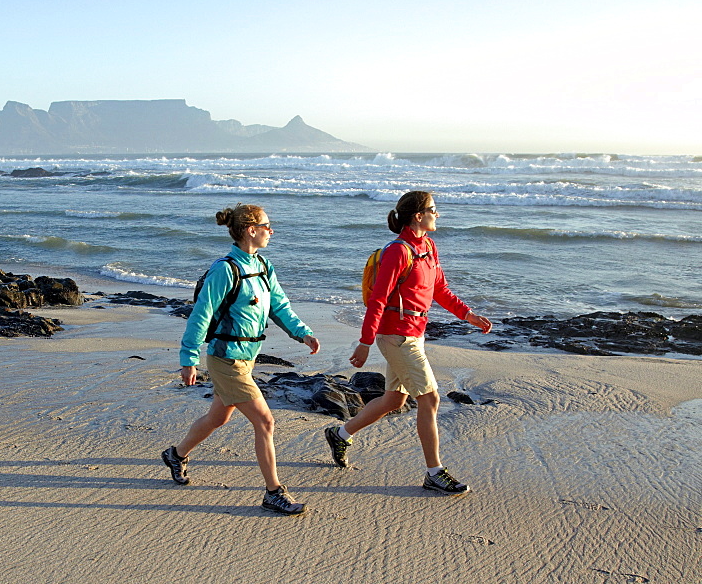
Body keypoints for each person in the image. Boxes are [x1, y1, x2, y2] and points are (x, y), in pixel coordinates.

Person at [325, 191, 492, 494]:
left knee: (394, 400)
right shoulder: (398, 252)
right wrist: (364, 342)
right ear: (418, 216)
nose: (437, 214)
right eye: (433, 210)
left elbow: (439, 289)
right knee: (430, 399)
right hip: (396, 336)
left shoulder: (427, 246)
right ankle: (434, 472)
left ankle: (340, 433)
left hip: (415, 333)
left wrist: (468, 315)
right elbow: (378, 300)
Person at [162, 203, 320, 515]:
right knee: (265, 421)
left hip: (247, 358)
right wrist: (188, 358)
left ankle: (176, 455)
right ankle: (273, 492)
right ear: (251, 230)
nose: (270, 231)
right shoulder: (225, 270)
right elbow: (201, 314)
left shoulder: (263, 266)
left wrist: (302, 333)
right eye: (266, 226)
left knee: (218, 417)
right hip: (225, 360)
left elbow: (279, 305)